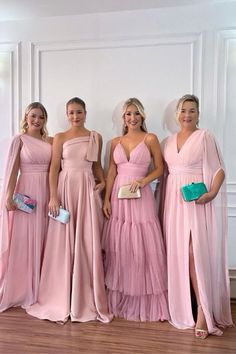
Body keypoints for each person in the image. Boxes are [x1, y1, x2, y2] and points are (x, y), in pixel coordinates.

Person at [27, 97, 112, 324]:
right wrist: (53, 197)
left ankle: (83, 297)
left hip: (86, 189)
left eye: (79, 112)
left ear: (86, 112)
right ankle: (61, 295)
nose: (75, 116)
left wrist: (102, 182)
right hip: (65, 189)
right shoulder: (61, 138)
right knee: (63, 243)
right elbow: (54, 169)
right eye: (71, 113)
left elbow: (97, 167)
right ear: (67, 115)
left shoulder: (96, 136)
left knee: (85, 241)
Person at [161, 94, 233, 338]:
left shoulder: (205, 137)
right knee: (179, 253)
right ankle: (183, 307)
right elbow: (164, 174)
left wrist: (212, 193)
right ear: (177, 114)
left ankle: (204, 310)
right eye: (183, 110)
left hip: (195, 201)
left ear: (198, 114)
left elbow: (219, 169)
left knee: (194, 253)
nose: (187, 115)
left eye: (192, 111)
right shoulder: (167, 141)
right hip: (173, 202)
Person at [102, 97, 169, 321]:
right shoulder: (115, 142)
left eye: (136, 113)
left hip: (141, 196)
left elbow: (160, 168)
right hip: (119, 197)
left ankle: (148, 303)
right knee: (121, 246)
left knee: (142, 245)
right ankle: (121, 299)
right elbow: (111, 172)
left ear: (142, 116)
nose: (132, 118)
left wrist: (143, 181)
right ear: (123, 118)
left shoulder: (150, 138)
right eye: (128, 114)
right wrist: (106, 200)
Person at [0, 102, 52, 311]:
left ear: (45, 119)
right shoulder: (19, 140)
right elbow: (12, 169)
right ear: (26, 117)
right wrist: (8, 196)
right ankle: (22, 286)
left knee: (45, 237)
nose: (36, 120)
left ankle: (42, 286)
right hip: (26, 192)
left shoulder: (50, 141)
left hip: (47, 191)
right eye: (33, 116)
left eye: (40, 117)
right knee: (24, 238)